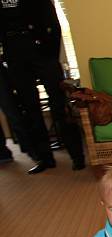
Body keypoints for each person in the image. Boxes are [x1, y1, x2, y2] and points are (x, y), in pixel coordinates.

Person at [0, 0, 85, 174]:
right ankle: (45, 158)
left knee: (60, 107)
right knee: (30, 110)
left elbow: (54, 25)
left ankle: (77, 156)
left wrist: (49, 56)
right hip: (15, 54)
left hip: (42, 52)